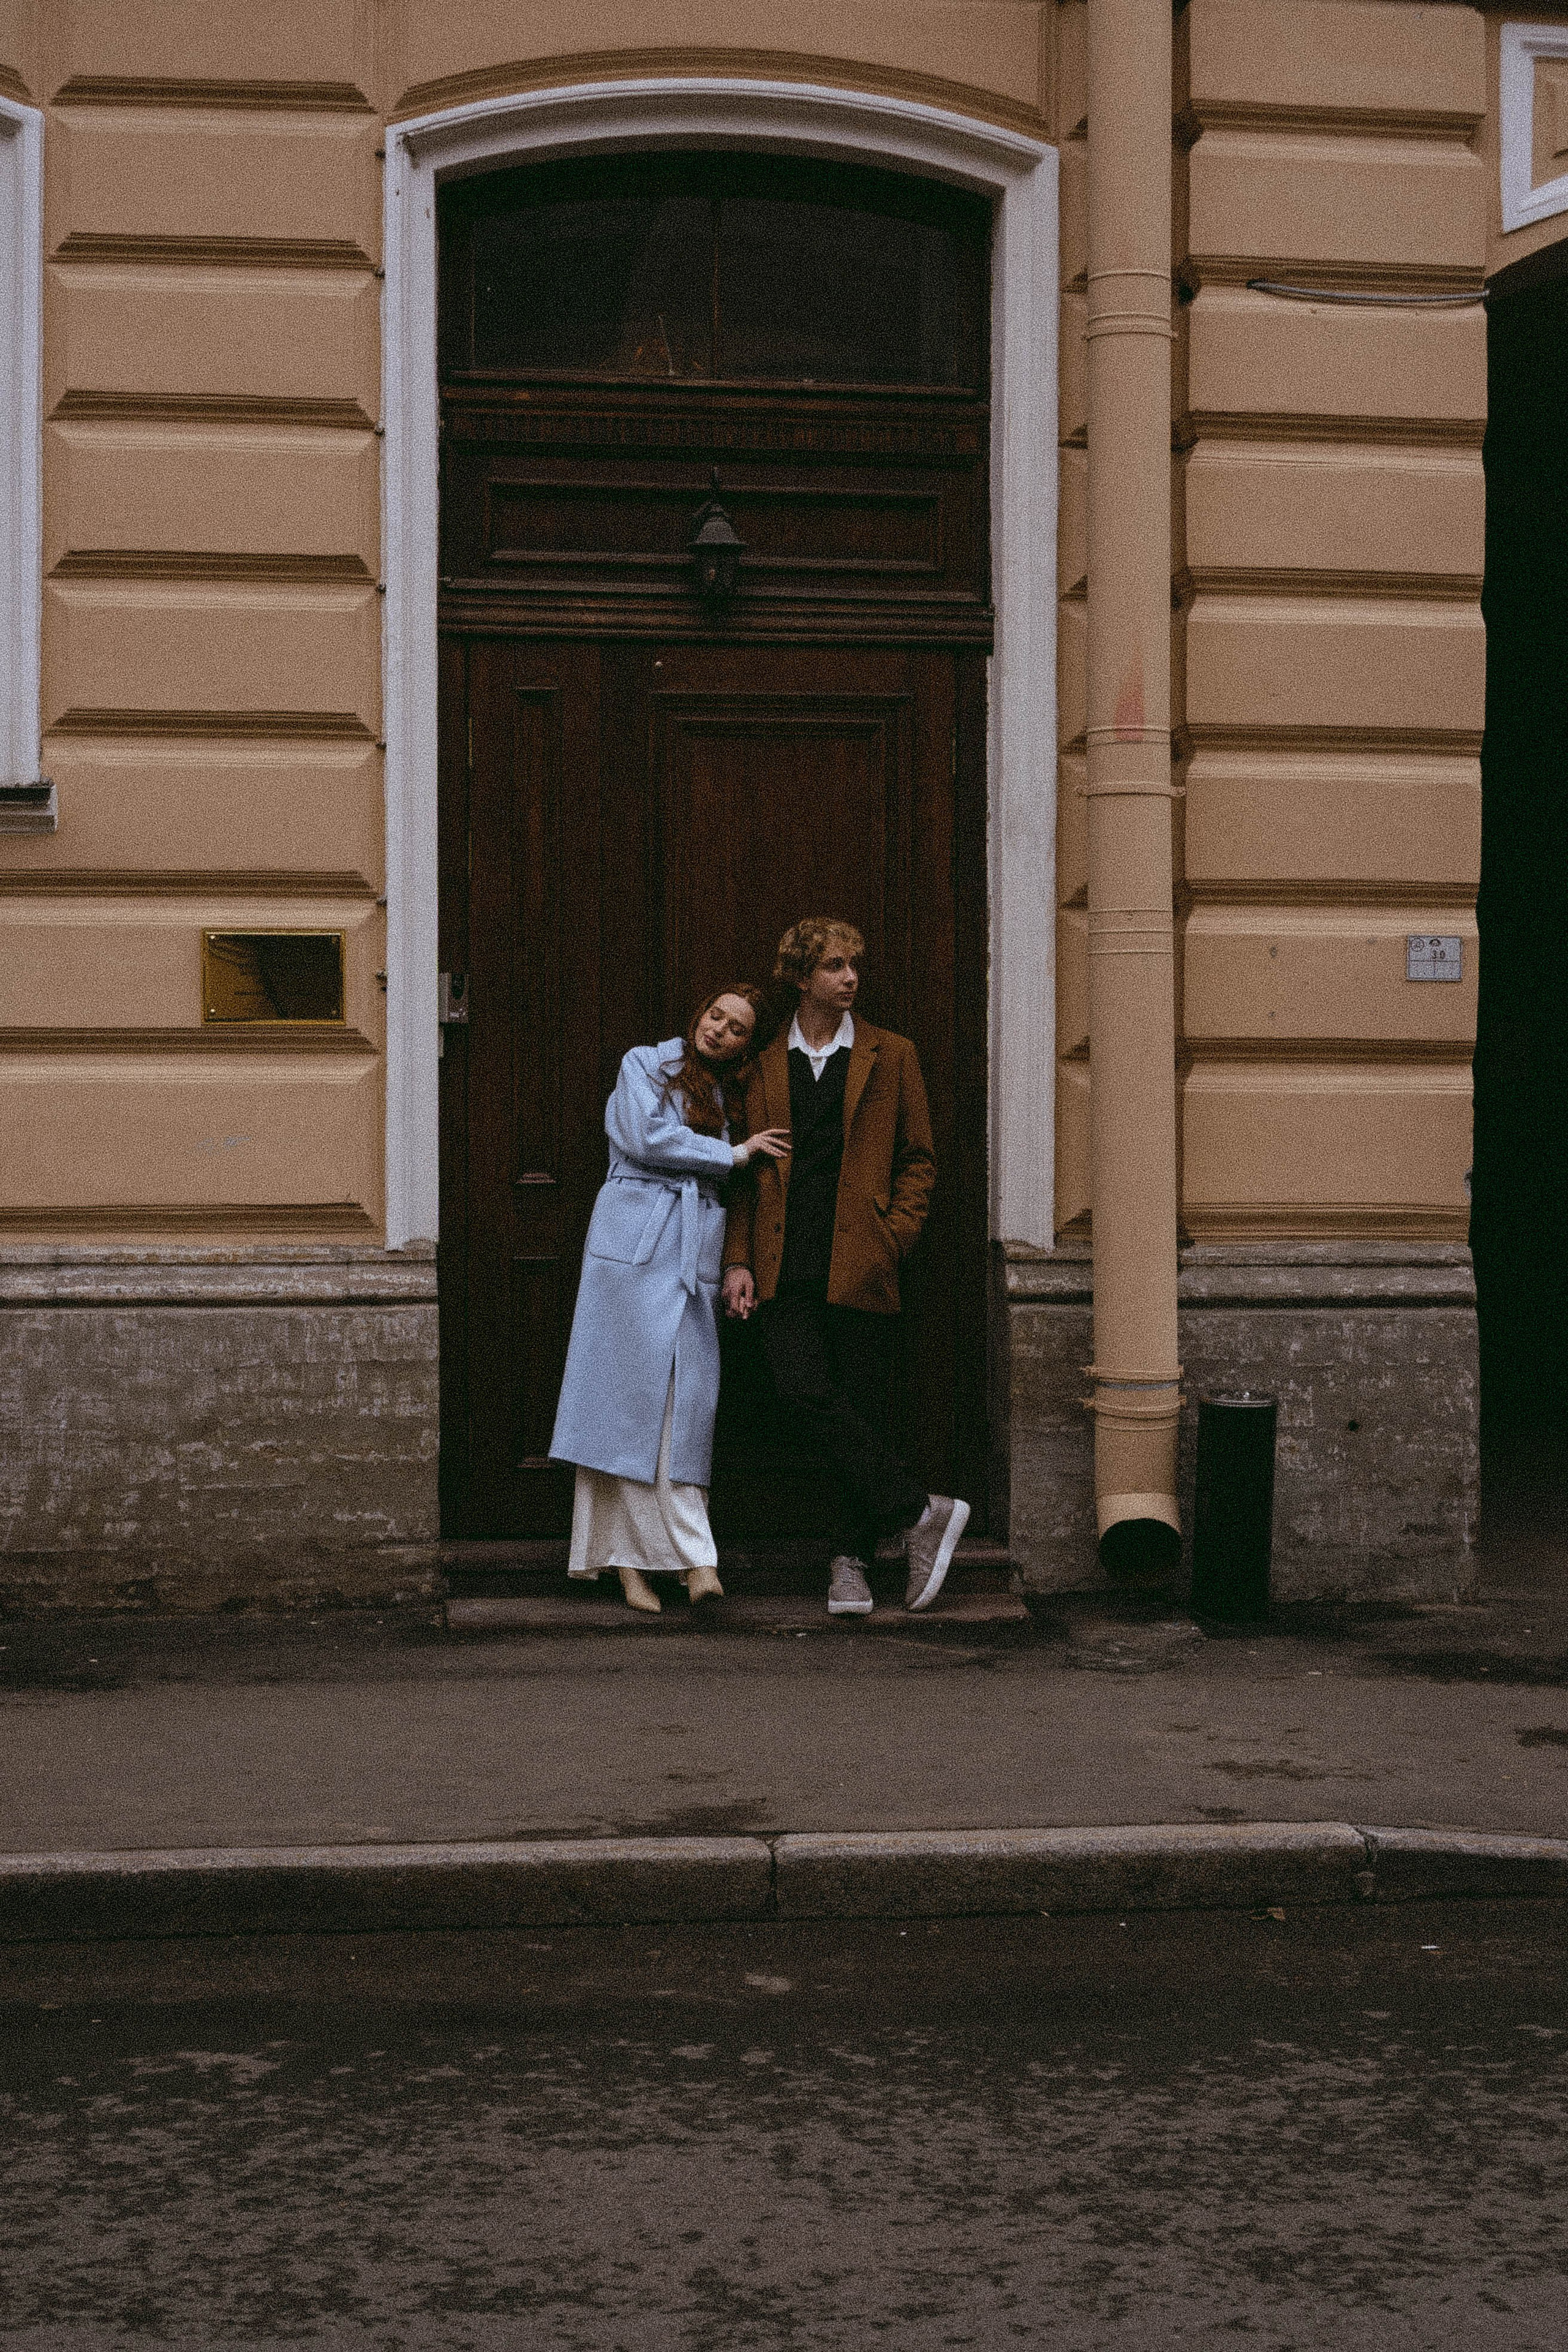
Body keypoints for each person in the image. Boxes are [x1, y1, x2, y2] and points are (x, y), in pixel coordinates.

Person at [722, 918, 970, 1616]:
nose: (851, 978)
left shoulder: (892, 1055)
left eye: (854, 965)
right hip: (782, 1263)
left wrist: (894, 1237)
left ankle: (850, 1563)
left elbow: (918, 1159)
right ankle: (921, 1513)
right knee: (805, 1395)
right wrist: (737, 1259)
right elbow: (742, 1176)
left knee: (862, 1413)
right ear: (802, 978)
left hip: (862, 1261)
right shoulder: (764, 1063)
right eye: (834, 966)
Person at [550, 988, 790, 1613]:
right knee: (624, 1404)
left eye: (737, 1028)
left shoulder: (734, 1094)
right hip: (633, 1244)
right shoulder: (643, 1064)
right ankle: (637, 1565)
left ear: (747, 1043)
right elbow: (642, 1137)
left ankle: (686, 1558)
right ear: (699, 1016)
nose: (719, 1031)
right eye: (716, 1016)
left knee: (685, 1402)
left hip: (694, 1246)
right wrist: (730, 1154)